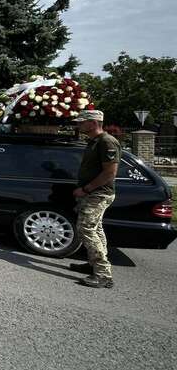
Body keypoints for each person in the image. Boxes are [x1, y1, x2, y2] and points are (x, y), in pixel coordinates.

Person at [69, 110, 120, 288]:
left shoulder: (106, 142)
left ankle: (103, 274)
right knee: (95, 229)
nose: (79, 125)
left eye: (82, 122)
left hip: (99, 193)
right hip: (93, 193)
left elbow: (110, 173)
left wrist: (86, 189)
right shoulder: (94, 141)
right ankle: (93, 264)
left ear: (93, 123)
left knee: (85, 229)